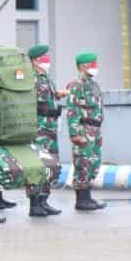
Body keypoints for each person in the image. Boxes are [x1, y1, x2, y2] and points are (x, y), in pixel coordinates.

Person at [26, 44, 64, 217]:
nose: (47, 60)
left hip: (50, 128)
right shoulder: (31, 79)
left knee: (49, 164)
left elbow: (51, 96)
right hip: (38, 129)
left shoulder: (45, 78)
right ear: (35, 60)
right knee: (37, 165)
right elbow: (32, 104)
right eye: (44, 58)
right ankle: (34, 203)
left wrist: (59, 96)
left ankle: (44, 200)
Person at [66, 51, 106, 211]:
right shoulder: (76, 86)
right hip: (83, 129)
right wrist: (74, 134)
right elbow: (72, 110)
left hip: (95, 130)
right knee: (82, 163)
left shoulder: (93, 85)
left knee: (93, 163)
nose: (96, 67)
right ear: (83, 66)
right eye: (92, 65)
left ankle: (88, 196)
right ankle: (81, 200)